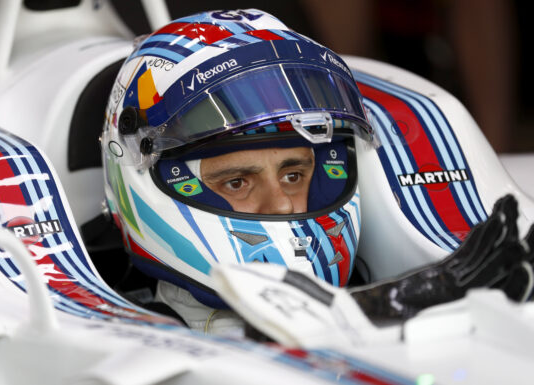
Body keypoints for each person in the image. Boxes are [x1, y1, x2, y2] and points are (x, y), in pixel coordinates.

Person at [100, 9, 533, 336]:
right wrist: (396, 305)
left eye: (294, 174)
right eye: (237, 181)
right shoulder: (103, 336)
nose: (283, 203)